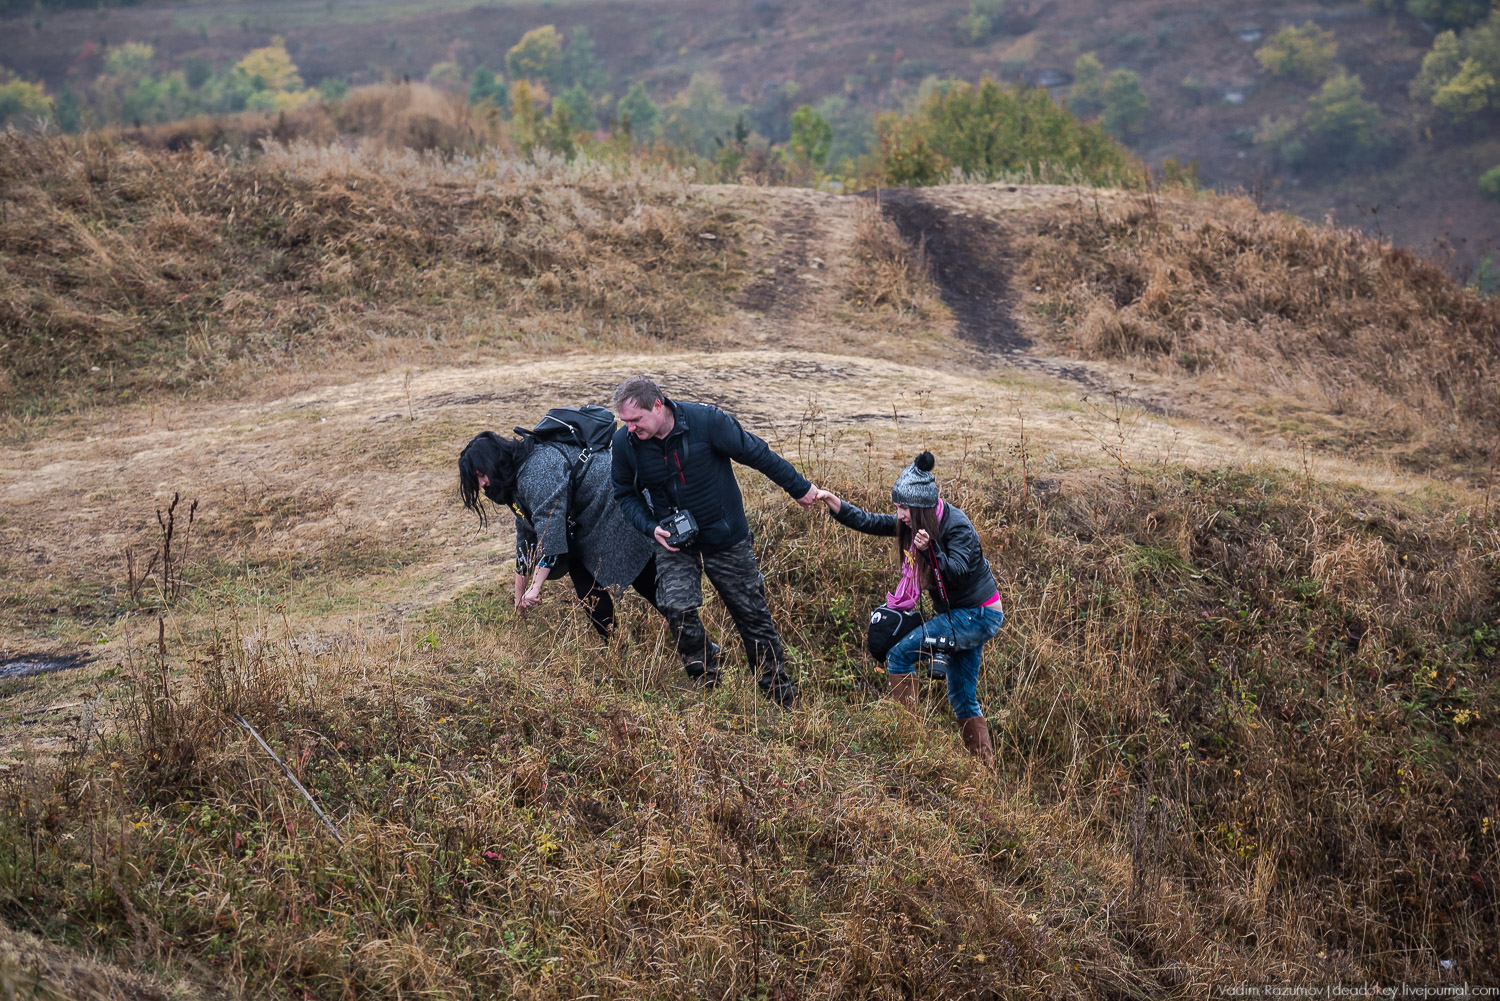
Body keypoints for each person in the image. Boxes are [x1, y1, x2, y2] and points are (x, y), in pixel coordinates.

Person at [609, 376, 820, 708]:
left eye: (636, 420)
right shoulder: (625, 444)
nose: (630, 428)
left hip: (726, 537)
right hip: (673, 541)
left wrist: (800, 488)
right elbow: (624, 494)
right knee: (677, 607)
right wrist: (651, 528)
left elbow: (757, 454)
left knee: (752, 615)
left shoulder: (708, 422)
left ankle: (780, 696)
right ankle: (707, 682)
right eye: (625, 422)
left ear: (658, 406)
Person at [815, 451, 1004, 767]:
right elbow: (872, 522)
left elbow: (957, 570)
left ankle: (906, 743)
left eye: (903, 508)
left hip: (979, 615)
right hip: (959, 617)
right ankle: (986, 771)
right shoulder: (914, 526)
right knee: (962, 697)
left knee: (900, 655)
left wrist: (930, 550)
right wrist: (837, 505)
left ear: (919, 508)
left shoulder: (958, 527)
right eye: (897, 506)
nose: (898, 514)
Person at [458, 429, 661, 637]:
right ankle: (615, 649)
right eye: (477, 481)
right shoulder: (513, 485)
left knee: (644, 578)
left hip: (613, 508)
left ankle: (687, 633)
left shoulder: (536, 471)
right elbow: (526, 541)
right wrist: (519, 598)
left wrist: (536, 587)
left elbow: (550, 532)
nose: (483, 484)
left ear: (495, 461)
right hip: (584, 523)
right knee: (586, 589)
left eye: (482, 475)